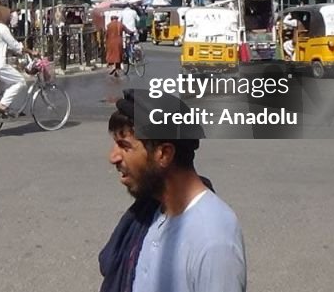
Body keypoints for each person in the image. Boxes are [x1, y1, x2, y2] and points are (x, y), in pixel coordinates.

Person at [101, 89, 246, 292]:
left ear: (164, 154)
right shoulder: (154, 212)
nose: (113, 157)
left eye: (124, 146)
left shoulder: (213, 240)